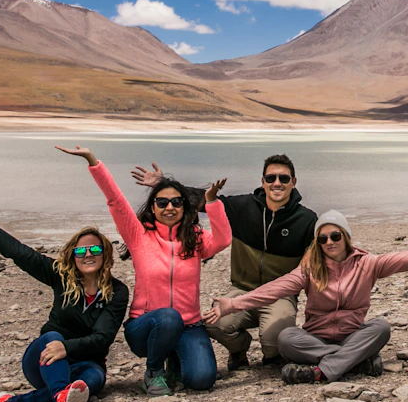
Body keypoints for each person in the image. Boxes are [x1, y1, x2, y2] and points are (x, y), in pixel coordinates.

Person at [201, 211, 408, 383]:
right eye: (322, 239)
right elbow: (276, 288)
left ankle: (321, 372)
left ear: (346, 237)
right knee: (286, 337)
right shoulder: (309, 269)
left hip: (351, 334)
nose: (329, 242)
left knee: (381, 327)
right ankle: (355, 362)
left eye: (335, 236)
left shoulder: (368, 264)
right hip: (316, 338)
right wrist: (235, 303)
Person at [57, 146, 231, 397]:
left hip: (189, 325)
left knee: (201, 380)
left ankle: (174, 358)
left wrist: (212, 202)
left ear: (184, 207)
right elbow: (115, 200)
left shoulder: (195, 239)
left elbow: (224, 238)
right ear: (153, 207)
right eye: (162, 202)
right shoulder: (139, 235)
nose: (169, 207)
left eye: (176, 202)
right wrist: (93, 162)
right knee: (169, 317)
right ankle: (154, 372)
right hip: (146, 326)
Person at [0, 190, 128, 402]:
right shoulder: (60, 276)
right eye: (81, 250)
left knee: (94, 380)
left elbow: (103, 339)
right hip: (43, 361)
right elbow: (18, 251)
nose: (88, 254)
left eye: (95, 249)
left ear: (104, 254)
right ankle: (61, 397)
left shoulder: (117, 291)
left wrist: (66, 347)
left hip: (85, 364)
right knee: (52, 337)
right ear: (73, 256)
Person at [133, 154, 316, 372]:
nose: (277, 183)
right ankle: (239, 349)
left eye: (284, 179)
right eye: (271, 178)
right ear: (263, 181)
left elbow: (319, 253)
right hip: (241, 289)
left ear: (293, 182)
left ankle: (271, 354)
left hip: (279, 295)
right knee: (213, 322)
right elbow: (204, 200)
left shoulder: (306, 219)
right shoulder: (244, 207)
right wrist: (163, 186)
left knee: (274, 341)